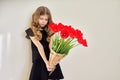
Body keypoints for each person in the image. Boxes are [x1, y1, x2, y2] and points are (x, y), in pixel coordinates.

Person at [25, 6, 64, 80]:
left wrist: (53, 61)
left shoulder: (50, 30)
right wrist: (46, 62)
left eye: (46, 19)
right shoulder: (31, 31)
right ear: (36, 18)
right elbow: (39, 46)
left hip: (50, 59)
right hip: (39, 59)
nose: (43, 21)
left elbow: (51, 46)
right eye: (41, 18)